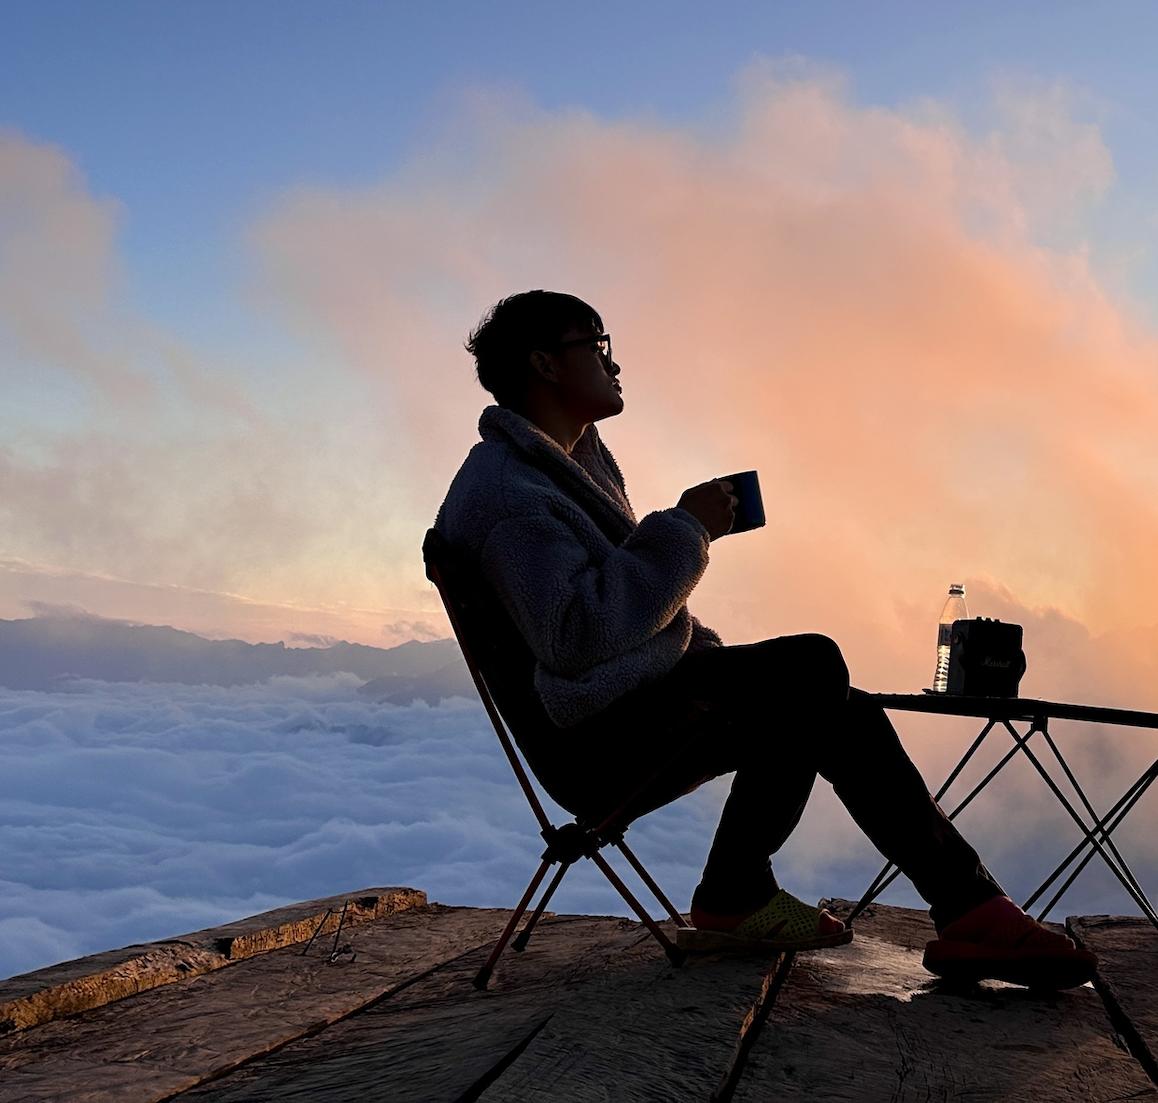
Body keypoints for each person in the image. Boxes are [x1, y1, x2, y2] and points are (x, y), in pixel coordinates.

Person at [434, 290, 1097, 989]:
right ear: (545, 364)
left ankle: (970, 910)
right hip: (598, 743)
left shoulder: (560, 466)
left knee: (842, 706)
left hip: (633, 711)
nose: (616, 362)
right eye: (598, 345)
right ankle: (738, 891)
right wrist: (686, 530)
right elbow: (572, 637)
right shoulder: (510, 495)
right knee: (811, 665)